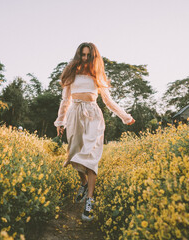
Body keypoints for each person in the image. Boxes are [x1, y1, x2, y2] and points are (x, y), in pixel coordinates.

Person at [54, 42, 135, 221]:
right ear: (78, 55)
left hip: (93, 116)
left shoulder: (97, 75)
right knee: (74, 154)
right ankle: (83, 183)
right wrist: (60, 121)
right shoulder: (70, 74)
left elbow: (108, 101)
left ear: (93, 57)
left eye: (88, 55)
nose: (84, 58)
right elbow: (65, 100)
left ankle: (90, 199)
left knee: (90, 156)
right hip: (74, 114)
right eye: (82, 55)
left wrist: (125, 116)